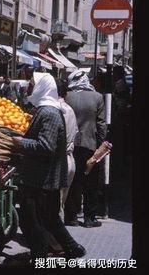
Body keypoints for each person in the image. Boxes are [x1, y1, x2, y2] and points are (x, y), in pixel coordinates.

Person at [12, 72, 86, 263]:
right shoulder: (45, 110)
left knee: (32, 220)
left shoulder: (49, 113)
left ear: (42, 87)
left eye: (31, 85)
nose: (28, 89)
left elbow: (46, 146)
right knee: (50, 218)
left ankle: (40, 256)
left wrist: (21, 142)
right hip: (44, 177)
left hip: (42, 179)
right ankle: (72, 248)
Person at [64, 70, 107, 228]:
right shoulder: (97, 97)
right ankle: (89, 218)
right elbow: (101, 124)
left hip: (71, 146)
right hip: (91, 146)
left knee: (74, 181)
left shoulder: (67, 96)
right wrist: (101, 145)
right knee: (91, 183)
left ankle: (71, 217)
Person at [55, 79, 78, 219]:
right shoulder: (70, 110)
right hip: (69, 161)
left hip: (59, 163)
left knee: (54, 208)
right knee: (59, 205)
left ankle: (54, 240)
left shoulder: (55, 109)